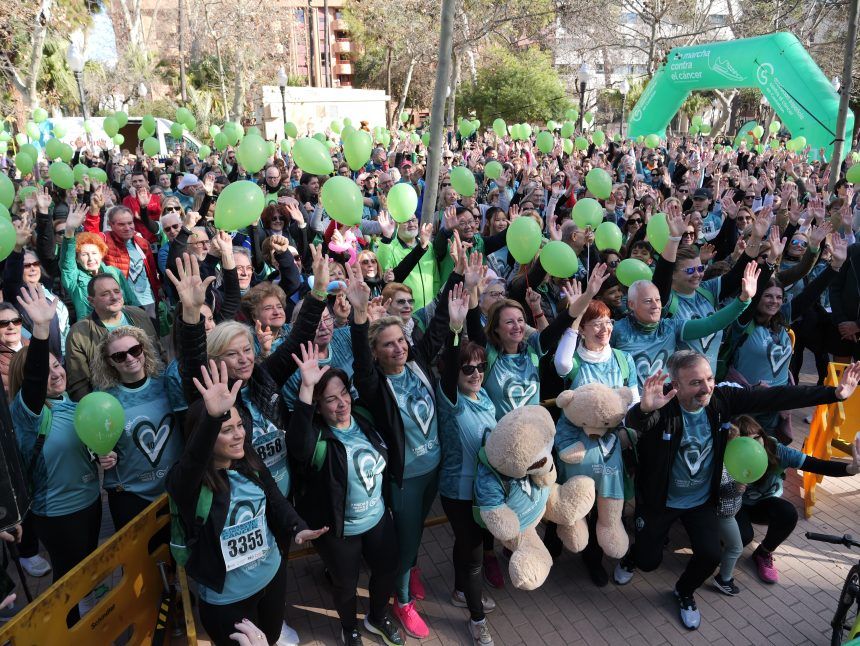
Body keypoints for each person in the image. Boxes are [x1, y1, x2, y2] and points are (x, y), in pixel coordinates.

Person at [614, 350, 860, 630]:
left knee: (710, 555)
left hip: (700, 501)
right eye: (695, 383)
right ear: (677, 385)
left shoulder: (721, 401)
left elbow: (776, 396)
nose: (706, 388)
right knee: (648, 562)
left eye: (709, 378)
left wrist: (833, 395)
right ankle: (632, 558)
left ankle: (684, 592)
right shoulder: (662, 404)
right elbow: (639, 423)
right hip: (661, 501)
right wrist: (643, 410)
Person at [345, 250, 470, 639]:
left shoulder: (415, 361)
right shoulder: (373, 384)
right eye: (387, 345)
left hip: (433, 468)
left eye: (400, 340)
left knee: (413, 539)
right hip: (405, 477)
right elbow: (362, 364)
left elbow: (434, 329)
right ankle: (402, 603)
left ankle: (411, 569)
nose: (398, 348)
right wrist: (359, 314)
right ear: (375, 352)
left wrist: (458, 277)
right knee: (404, 543)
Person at [166, 360, 327, 646]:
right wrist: (213, 417)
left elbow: (276, 500)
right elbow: (191, 463)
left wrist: (297, 527)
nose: (239, 434)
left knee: (273, 636)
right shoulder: (188, 484)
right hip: (227, 599)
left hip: (271, 577)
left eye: (240, 425)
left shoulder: (249, 460)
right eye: (227, 429)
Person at [287, 343, 404, 646]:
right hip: (339, 530)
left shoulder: (364, 418)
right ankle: (349, 628)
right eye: (330, 399)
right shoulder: (317, 436)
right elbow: (297, 445)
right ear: (317, 405)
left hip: (377, 518)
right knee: (345, 586)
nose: (341, 404)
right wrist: (306, 388)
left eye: (343, 394)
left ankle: (377, 617)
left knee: (387, 570)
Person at [8, 287, 100, 621]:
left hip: (91, 502)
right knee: (70, 579)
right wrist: (42, 329)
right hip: (58, 513)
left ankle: (92, 623)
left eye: (57, 365)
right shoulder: (27, 413)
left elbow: (88, 445)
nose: (57, 373)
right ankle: (69, 628)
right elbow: (34, 380)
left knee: (89, 569)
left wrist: (103, 456)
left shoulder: (73, 405)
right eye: (47, 370)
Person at [436, 284, 497, 645]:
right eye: (467, 369)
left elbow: (481, 345)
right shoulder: (451, 400)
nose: (475, 373)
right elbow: (451, 364)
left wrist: (474, 308)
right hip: (458, 492)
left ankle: (461, 590)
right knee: (472, 551)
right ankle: (476, 620)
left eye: (480, 368)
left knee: (467, 545)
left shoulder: (484, 393)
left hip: (484, 489)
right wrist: (456, 329)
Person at [731, 415, 860, 585]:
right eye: (746, 442)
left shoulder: (777, 450)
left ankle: (763, 553)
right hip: (734, 504)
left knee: (788, 513)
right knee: (742, 537)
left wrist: (851, 469)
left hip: (764, 503)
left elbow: (816, 465)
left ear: (762, 435)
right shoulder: (729, 454)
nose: (754, 445)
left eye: (757, 438)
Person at [90, 325, 185, 530]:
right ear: (110, 362)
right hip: (130, 494)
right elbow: (97, 442)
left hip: (177, 486)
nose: (130, 358)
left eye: (134, 350)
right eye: (119, 356)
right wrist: (102, 454)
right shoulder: (104, 398)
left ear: (144, 349)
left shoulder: (167, 383)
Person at [64, 273, 158, 401]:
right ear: (91, 301)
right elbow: (79, 384)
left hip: (155, 392)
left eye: (116, 291)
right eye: (105, 294)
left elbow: (158, 353)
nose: (114, 297)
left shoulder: (139, 314)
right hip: (110, 404)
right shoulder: (79, 333)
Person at [60, 203, 137, 320]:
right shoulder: (74, 279)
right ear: (77, 258)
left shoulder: (114, 272)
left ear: (101, 254)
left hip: (121, 326)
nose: (91, 258)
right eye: (84, 254)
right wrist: (70, 230)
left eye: (94, 253)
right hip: (92, 331)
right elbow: (66, 263)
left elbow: (131, 301)